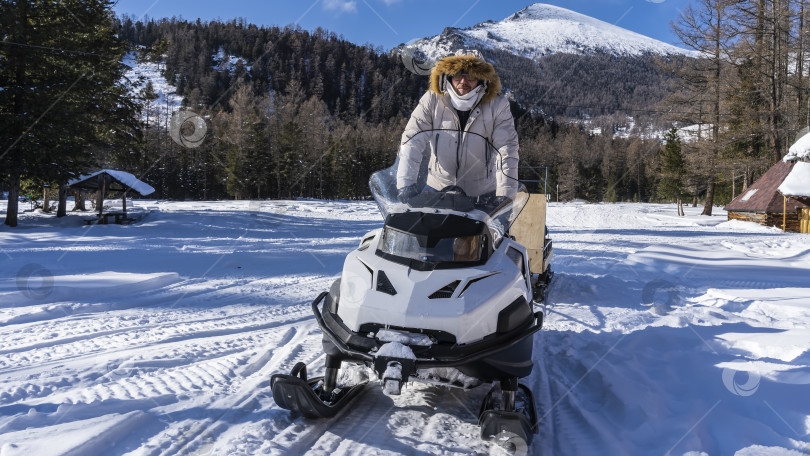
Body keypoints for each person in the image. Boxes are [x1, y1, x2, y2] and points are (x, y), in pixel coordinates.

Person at [396, 50, 519, 204]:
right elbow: (412, 140)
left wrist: (505, 195)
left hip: (482, 193)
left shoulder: (498, 104)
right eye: (457, 75)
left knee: (488, 229)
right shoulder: (432, 99)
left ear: (481, 79)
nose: (463, 81)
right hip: (437, 188)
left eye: (471, 76)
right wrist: (406, 184)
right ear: (448, 76)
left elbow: (506, 149)